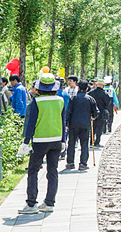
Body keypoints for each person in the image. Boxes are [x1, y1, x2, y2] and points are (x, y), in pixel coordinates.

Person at [19, 73, 65, 214]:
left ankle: (31, 204)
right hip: (56, 139)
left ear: (39, 88)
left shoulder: (36, 102)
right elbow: (63, 122)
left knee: (33, 171)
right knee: (53, 171)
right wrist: (63, 140)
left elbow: (31, 124)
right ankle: (49, 203)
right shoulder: (60, 100)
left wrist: (26, 142)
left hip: (40, 140)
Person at [63, 80, 98, 171]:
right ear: (87, 88)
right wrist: (92, 117)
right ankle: (83, 163)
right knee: (84, 144)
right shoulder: (90, 99)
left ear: (78, 87)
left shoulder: (73, 98)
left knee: (71, 143)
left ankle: (70, 163)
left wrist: (66, 123)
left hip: (73, 125)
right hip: (85, 125)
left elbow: (68, 112)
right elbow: (96, 112)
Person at [88, 77, 114, 147]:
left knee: (93, 127)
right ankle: (97, 142)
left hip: (92, 113)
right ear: (103, 85)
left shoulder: (91, 93)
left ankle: (91, 142)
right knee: (99, 128)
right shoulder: (105, 94)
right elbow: (108, 103)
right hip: (101, 113)